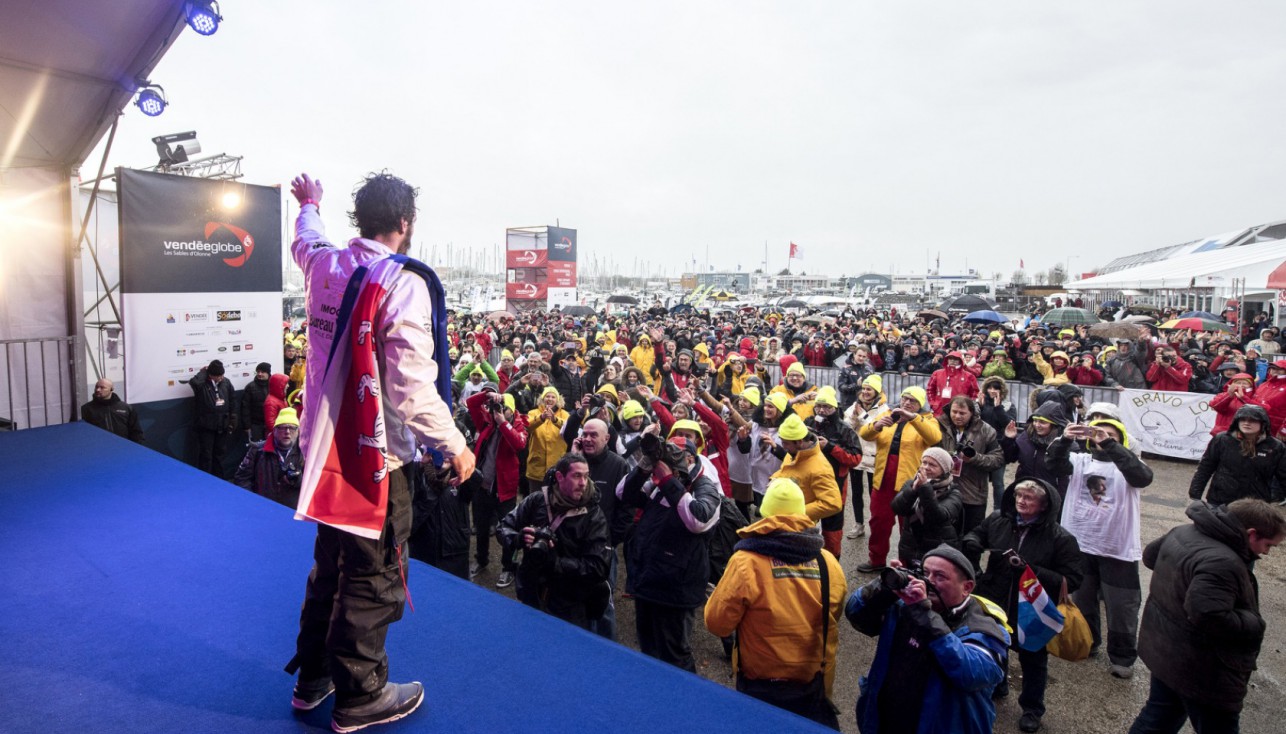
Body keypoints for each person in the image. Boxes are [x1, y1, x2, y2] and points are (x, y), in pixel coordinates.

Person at [285, 172, 475, 731]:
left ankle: (313, 677)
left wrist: (309, 204)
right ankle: (362, 692)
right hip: (376, 458)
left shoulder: (326, 264)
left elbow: (306, 238)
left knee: (330, 567)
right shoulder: (399, 282)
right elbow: (411, 387)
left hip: (325, 452)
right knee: (371, 576)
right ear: (405, 224)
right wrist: (456, 446)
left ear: (358, 220)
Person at [1128, 499, 1286, 734]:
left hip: (1167, 652)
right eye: (1268, 545)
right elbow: (1208, 614)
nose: (1265, 552)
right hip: (1202, 669)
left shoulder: (1183, 531)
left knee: (1158, 717)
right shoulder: (1223, 562)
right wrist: (1254, 623)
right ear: (1251, 533)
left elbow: (1151, 556)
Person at [704, 478, 846, 729]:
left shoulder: (746, 562)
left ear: (764, 513)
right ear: (802, 514)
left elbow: (717, 624)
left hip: (760, 685)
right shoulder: (828, 563)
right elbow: (834, 612)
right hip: (812, 684)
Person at [845, 544, 1010, 734]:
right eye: (925, 573)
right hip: (885, 721)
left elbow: (969, 673)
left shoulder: (986, 629)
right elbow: (856, 615)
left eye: (940, 576)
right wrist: (882, 589)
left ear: (967, 587)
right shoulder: (903, 608)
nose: (929, 581)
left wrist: (923, 614)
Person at [963, 478, 1083, 733]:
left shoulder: (1060, 538)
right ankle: (999, 684)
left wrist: (1031, 569)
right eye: (1019, 496)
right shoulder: (998, 519)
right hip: (996, 599)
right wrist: (973, 541)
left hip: (1032, 611)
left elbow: (1071, 580)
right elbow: (978, 533)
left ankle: (1032, 708)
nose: (1021, 501)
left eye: (1029, 498)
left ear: (1044, 505)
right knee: (996, 646)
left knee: (1034, 660)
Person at [1046, 418, 1153, 680]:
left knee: (1121, 607)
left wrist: (1109, 442)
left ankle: (1122, 656)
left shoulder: (1129, 464)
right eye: (1097, 433)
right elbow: (1053, 465)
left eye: (1111, 435)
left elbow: (1142, 478)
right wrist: (1066, 439)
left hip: (1117, 547)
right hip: (1081, 543)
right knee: (1083, 600)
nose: (1102, 438)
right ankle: (1089, 642)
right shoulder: (1080, 461)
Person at [617, 435, 722, 671]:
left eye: (674, 455)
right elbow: (623, 494)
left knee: (674, 654)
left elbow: (698, 519)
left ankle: (682, 700)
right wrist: (645, 466)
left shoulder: (705, 485)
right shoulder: (659, 483)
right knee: (648, 648)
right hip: (647, 580)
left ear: (690, 458)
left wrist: (667, 480)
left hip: (676, 587)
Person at [497, 453, 611, 629]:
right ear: (559, 477)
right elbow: (503, 527)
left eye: (586, 475)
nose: (583, 483)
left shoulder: (593, 515)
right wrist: (518, 539)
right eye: (577, 476)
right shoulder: (537, 500)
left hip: (570, 602)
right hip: (531, 591)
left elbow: (598, 567)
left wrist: (556, 563)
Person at [857, 386, 943, 573]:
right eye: (905, 399)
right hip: (883, 478)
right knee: (879, 522)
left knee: (909, 527)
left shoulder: (927, 420)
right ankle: (876, 559)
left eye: (912, 401)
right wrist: (876, 425)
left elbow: (934, 437)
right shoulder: (889, 414)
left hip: (909, 483)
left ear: (920, 404)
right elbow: (864, 433)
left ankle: (906, 565)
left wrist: (913, 418)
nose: (907, 403)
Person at [573, 418, 631, 640]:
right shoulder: (575, 461)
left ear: (607, 438)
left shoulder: (619, 465)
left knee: (603, 604)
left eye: (593, 435)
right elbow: (554, 485)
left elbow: (626, 508)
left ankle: (606, 649)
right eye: (584, 434)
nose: (587, 439)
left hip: (603, 550)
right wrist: (574, 455)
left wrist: (612, 540)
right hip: (574, 544)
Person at [465, 388, 529, 587]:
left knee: (507, 531)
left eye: (505, 408)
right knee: (482, 527)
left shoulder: (519, 426)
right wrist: (488, 395)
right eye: (498, 408)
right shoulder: (486, 422)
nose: (500, 411)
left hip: (505, 489)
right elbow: (471, 403)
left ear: (512, 410)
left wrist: (503, 422)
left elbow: (519, 445)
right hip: (483, 485)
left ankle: (508, 567)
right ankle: (481, 560)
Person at [1189, 404, 1286, 506]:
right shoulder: (1222, 439)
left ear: (1263, 423)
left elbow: (1284, 476)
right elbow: (1205, 467)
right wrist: (1195, 493)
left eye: (1252, 420)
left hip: (1255, 505)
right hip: (1220, 501)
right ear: (1237, 421)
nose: (1247, 423)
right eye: (1243, 419)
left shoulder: (1275, 446)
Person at [935, 395, 1004, 536]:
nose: (957, 416)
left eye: (962, 413)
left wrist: (974, 458)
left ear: (972, 413)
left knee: (970, 538)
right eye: (954, 412)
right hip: (942, 491)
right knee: (943, 538)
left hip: (973, 495)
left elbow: (998, 459)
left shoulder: (986, 430)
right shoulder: (937, 425)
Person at [890, 447, 963, 565]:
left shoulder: (954, 493)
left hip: (938, 550)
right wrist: (913, 490)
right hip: (909, 547)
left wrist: (924, 487)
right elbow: (897, 508)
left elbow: (937, 516)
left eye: (933, 465)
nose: (926, 467)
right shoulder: (911, 483)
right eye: (924, 462)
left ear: (944, 470)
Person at [844, 374, 888, 540]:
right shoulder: (855, 406)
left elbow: (878, 430)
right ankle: (858, 524)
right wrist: (855, 415)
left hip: (875, 457)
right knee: (856, 493)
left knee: (874, 495)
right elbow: (847, 427)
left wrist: (862, 416)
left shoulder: (884, 409)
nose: (865, 392)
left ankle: (875, 526)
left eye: (869, 389)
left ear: (876, 391)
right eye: (863, 389)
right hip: (857, 454)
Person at [233, 406, 304, 508]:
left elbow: (315, 486)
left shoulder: (305, 453)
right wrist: (252, 502)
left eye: (292, 427)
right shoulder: (257, 450)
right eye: (282, 427)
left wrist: (299, 480)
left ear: (298, 432)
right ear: (274, 430)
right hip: (263, 509)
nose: (287, 431)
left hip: (291, 512)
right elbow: (242, 479)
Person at [189, 359, 236, 478]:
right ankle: (205, 479)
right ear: (211, 374)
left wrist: (232, 419)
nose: (220, 378)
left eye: (222, 375)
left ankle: (219, 479)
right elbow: (193, 382)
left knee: (219, 454)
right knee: (206, 455)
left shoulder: (226, 383)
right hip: (206, 426)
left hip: (222, 425)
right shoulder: (202, 384)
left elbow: (232, 401)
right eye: (217, 376)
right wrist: (203, 372)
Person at [80, 378, 144, 443]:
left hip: (123, 448)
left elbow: (136, 433)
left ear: (111, 389)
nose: (98, 390)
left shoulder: (126, 408)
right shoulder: (86, 409)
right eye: (96, 387)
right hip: (98, 448)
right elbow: (81, 433)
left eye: (102, 387)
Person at [925, 350, 980, 414]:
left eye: (956, 359)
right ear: (947, 360)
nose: (952, 361)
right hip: (939, 410)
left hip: (959, 411)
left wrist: (967, 407)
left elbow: (974, 393)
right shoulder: (937, 373)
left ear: (960, 360)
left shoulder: (969, 376)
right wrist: (933, 404)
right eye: (950, 358)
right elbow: (930, 390)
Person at [240, 362, 273, 442]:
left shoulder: (273, 385)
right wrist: (247, 425)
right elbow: (245, 407)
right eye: (258, 372)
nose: (260, 374)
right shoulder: (250, 387)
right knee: (257, 448)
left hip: (271, 424)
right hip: (256, 424)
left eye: (262, 372)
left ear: (268, 373)